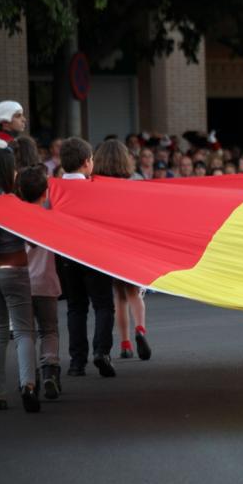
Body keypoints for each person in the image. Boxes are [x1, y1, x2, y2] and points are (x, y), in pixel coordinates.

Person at [0, 148, 40, 411]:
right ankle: (28, 384)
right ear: (8, 172)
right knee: (23, 331)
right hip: (16, 269)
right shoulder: (14, 204)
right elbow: (34, 241)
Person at [58, 137, 117, 377]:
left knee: (76, 307)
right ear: (86, 162)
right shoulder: (95, 189)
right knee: (103, 305)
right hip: (94, 255)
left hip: (65, 255)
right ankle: (101, 352)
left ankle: (76, 361)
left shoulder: (53, 189)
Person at [93, 140, 152, 359]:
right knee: (135, 292)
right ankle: (141, 329)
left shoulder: (96, 184)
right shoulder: (135, 180)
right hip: (131, 242)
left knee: (119, 295)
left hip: (108, 245)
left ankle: (125, 344)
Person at [16, 165, 63, 399]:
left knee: (25, 333)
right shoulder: (49, 218)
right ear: (45, 193)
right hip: (46, 282)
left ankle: (27, 379)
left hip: (21, 284)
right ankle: (50, 372)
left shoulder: (12, 219)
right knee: (49, 330)